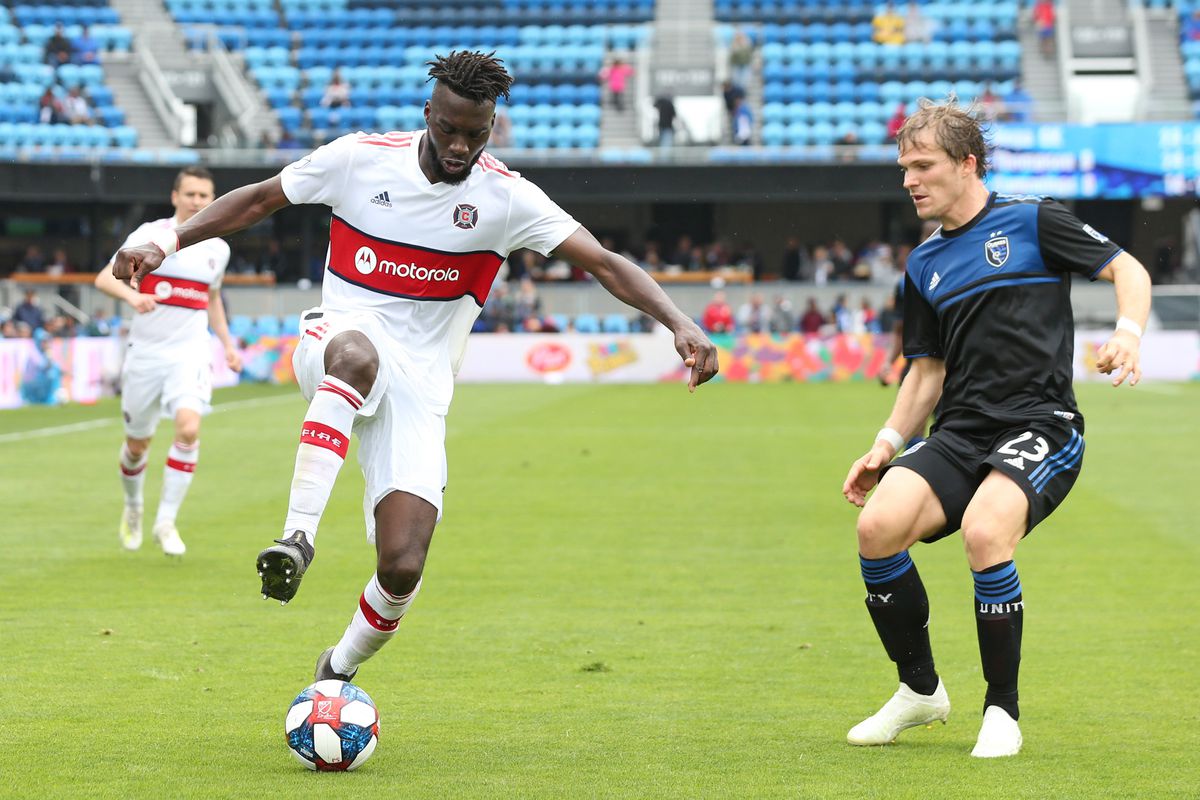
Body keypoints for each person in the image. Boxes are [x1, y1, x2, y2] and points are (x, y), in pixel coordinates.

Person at [112, 51, 717, 684]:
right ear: (428, 113)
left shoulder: (507, 198)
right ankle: (296, 537)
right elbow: (260, 200)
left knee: (402, 565)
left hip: (421, 385)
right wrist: (168, 242)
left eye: (475, 134)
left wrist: (679, 321)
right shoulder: (359, 159)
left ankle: (335, 671)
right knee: (356, 354)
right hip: (339, 338)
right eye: (448, 129)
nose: (459, 146)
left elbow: (605, 262)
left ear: (492, 129)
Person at [841, 97, 1151, 758]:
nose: (909, 180)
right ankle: (920, 692)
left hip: (1042, 424)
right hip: (960, 432)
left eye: (922, 165)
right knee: (876, 527)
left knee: (985, 532)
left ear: (967, 163)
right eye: (903, 168)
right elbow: (926, 372)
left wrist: (1128, 333)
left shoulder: (1034, 221)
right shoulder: (924, 265)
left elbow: (1128, 268)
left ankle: (1001, 711)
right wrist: (886, 444)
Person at [95, 166, 241, 557]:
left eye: (204, 196)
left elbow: (212, 299)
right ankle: (134, 506)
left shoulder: (217, 248)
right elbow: (105, 278)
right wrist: (132, 297)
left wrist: (226, 344)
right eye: (191, 194)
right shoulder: (148, 235)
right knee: (137, 445)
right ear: (175, 196)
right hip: (145, 354)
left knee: (189, 429)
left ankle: (166, 522)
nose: (198, 201)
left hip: (189, 353)